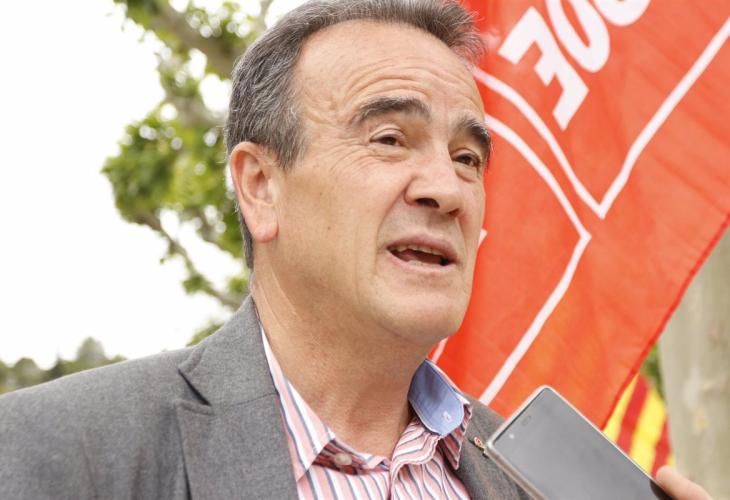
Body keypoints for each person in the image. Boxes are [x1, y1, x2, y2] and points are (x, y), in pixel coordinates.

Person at [0, 1, 713, 499]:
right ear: (260, 186)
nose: (447, 189)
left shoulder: (543, 483)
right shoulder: (54, 453)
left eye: (468, 159)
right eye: (390, 139)